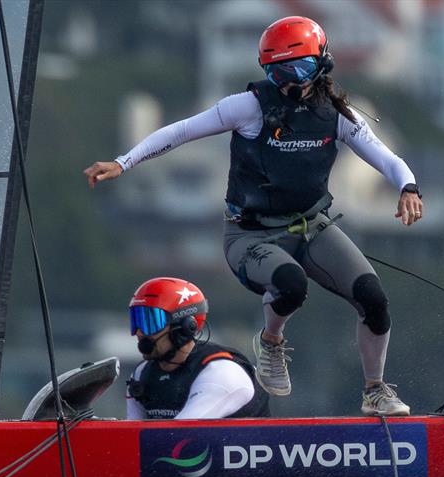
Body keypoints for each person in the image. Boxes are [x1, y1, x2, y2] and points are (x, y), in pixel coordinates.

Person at [86, 16, 423, 416]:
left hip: (312, 227)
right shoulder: (249, 107)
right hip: (252, 235)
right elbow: (180, 132)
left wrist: (408, 187)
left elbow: (386, 158)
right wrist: (124, 163)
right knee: (290, 285)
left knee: (373, 298)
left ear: (321, 64)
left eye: (297, 69)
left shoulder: (337, 114)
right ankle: (271, 341)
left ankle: (375, 390)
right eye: (277, 71)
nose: (287, 81)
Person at [125, 277, 269, 419]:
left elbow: (178, 435)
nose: (139, 332)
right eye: (136, 321)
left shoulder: (220, 372)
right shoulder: (141, 373)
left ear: (186, 325)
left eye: (150, 322)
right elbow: (131, 435)